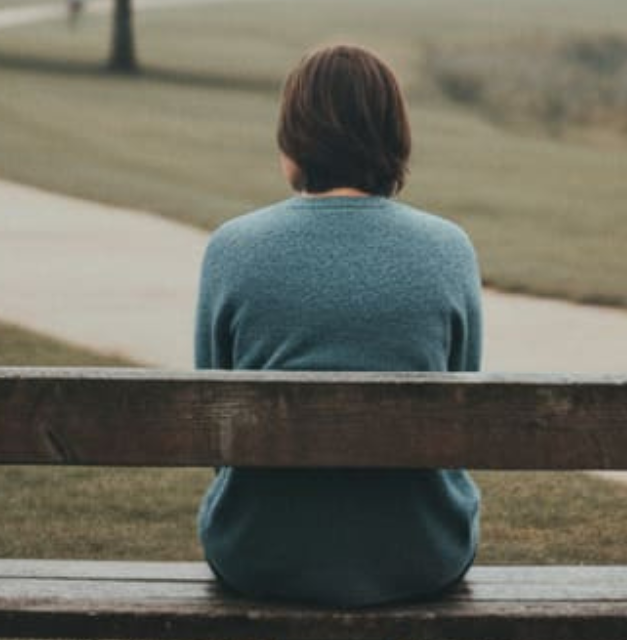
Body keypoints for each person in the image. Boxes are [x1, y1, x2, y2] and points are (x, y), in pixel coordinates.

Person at [193, 44, 484, 608]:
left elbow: (215, 427)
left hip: (258, 553)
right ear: (393, 135)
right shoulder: (450, 250)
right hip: (422, 553)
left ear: (294, 137)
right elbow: (460, 418)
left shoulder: (232, 249)